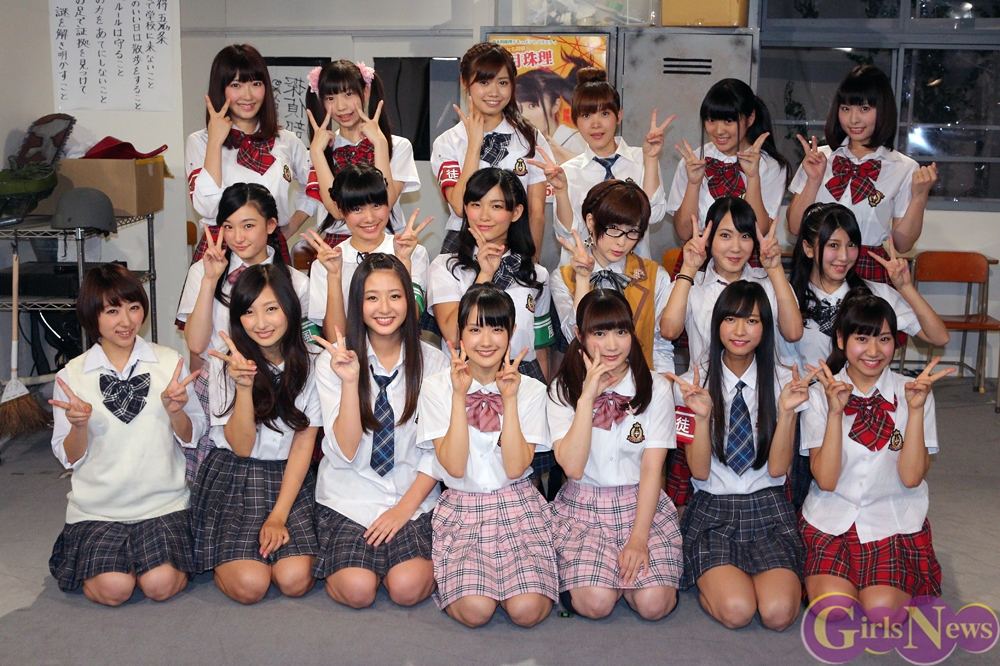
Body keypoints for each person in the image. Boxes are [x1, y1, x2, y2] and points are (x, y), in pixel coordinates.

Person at [48, 264, 204, 606]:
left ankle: (146, 560)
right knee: (114, 590)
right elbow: (69, 457)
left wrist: (176, 412)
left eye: (133, 307)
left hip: (163, 504)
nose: (126, 321)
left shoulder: (169, 362)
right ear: (93, 315)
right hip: (98, 509)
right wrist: (78, 426)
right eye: (112, 311)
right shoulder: (72, 375)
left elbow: (192, 436)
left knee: (160, 585)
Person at [669, 281, 811, 631]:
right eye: (731, 319)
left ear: (765, 327)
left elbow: (778, 469)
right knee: (738, 610)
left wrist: (787, 413)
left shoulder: (785, 381)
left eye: (752, 321)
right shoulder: (689, 385)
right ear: (717, 324)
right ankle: (715, 580)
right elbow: (699, 472)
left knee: (778, 614)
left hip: (768, 508)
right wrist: (702, 417)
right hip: (713, 511)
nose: (740, 331)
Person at [311, 253, 449, 609]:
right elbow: (345, 450)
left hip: (412, 497)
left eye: (395, 296)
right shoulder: (332, 361)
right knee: (358, 590)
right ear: (357, 303)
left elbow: (437, 452)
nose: (384, 308)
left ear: (410, 301)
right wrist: (350, 382)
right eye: (372, 297)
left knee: (407, 588)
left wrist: (402, 511)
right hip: (349, 497)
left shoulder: (435, 363)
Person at [800, 293, 952, 616]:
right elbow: (826, 480)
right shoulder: (819, 395)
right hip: (832, 518)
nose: (873, 351)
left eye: (884, 339)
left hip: (892, 522)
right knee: (833, 609)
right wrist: (835, 413)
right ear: (841, 339)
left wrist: (915, 411)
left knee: (882, 612)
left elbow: (911, 477)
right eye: (862, 338)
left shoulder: (915, 392)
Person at [417, 284, 557, 627]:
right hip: (462, 507)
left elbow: (515, 467)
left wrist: (509, 399)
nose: (486, 340)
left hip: (518, 504)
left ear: (510, 334)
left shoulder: (531, 389)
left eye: (496, 329)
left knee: (527, 611)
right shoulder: (436, 387)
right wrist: (458, 396)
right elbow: (453, 466)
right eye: (475, 329)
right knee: (476, 611)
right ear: (460, 335)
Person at [548, 289, 682, 621]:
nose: (611, 345)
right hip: (583, 507)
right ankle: (605, 579)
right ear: (579, 335)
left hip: (641, 504)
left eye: (621, 331)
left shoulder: (655, 387)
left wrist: (638, 540)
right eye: (599, 333)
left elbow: (652, 469)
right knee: (596, 603)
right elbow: (572, 468)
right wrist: (587, 398)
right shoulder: (562, 389)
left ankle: (627, 578)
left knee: (654, 605)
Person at [192, 265, 321, 604]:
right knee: (251, 586)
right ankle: (224, 558)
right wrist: (244, 387)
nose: (261, 323)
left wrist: (278, 516)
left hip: (289, 475)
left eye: (271, 308)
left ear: (290, 309)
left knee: (294, 580)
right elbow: (242, 446)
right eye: (248, 312)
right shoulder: (225, 362)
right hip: (235, 473)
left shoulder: (314, 362)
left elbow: (304, 444)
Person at [176, 183, 310, 480]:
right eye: (229, 227)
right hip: (217, 386)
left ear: (271, 225)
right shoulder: (203, 272)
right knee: (215, 479)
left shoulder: (295, 282)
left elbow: (300, 346)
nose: (238, 237)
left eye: (248, 225)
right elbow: (196, 344)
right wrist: (210, 280)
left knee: (274, 475)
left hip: (274, 388)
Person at [786, 65, 937, 284]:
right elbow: (795, 228)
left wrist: (920, 197)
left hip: (869, 270)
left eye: (864, 109)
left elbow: (903, 245)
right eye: (846, 108)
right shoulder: (818, 158)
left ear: (883, 110)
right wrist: (813, 180)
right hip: (817, 267)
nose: (853, 119)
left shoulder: (903, 168)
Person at [186, 44, 319, 264]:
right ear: (220, 89)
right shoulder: (200, 142)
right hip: (219, 254)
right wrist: (215, 142)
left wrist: (291, 226)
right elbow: (207, 207)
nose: (247, 96)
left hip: (270, 250)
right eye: (236, 85)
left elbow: (316, 187)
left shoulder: (286, 141)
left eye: (256, 84)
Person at [533, 67, 672, 264]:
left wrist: (650, 160)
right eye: (586, 116)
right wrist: (561, 191)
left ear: (619, 115)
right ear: (575, 121)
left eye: (604, 113)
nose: (595, 124)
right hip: (584, 273)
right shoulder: (567, 172)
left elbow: (654, 216)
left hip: (633, 273)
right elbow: (566, 234)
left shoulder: (642, 158)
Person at [431, 42, 550, 255]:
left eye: (502, 82)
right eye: (484, 82)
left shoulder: (529, 138)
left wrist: (531, 259)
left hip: (515, 244)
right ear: (465, 82)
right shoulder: (448, 141)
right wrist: (474, 146)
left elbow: (536, 212)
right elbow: (459, 207)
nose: (494, 92)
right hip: (463, 245)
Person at [551, 179, 674, 374]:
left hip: (640, 383)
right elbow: (573, 337)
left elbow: (661, 346)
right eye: (614, 229)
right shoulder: (563, 277)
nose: (622, 242)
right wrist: (582, 279)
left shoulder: (655, 275)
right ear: (591, 222)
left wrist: (662, 385)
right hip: (586, 384)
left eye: (632, 231)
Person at [302, 162, 431, 341]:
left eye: (377, 205)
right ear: (339, 209)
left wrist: (404, 262)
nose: (369, 218)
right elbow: (335, 339)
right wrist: (334, 276)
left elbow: (410, 322)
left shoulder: (412, 252)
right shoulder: (325, 264)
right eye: (357, 209)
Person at [304, 59, 420, 248]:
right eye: (330, 98)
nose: (341, 106)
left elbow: (386, 202)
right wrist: (316, 152)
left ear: (365, 92)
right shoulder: (320, 150)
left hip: (385, 244)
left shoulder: (398, 146)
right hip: (337, 247)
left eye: (348, 94)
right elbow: (337, 211)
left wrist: (380, 144)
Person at [667, 78, 790, 245]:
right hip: (700, 257)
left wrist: (753, 177)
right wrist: (693, 184)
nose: (719, 130)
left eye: (729, 121)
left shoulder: (770, 165)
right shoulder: (693, 161)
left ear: (750, 118)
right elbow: (683, 232)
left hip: (746, 258)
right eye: (711, 120)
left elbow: (759, 231)